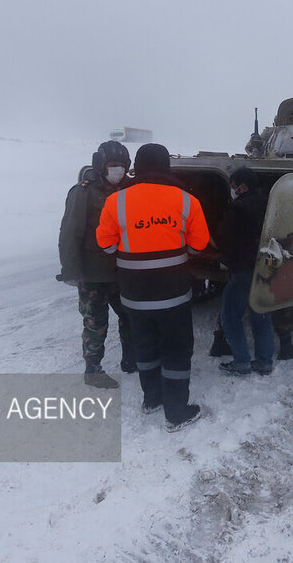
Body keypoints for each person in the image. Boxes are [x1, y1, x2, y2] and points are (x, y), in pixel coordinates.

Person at [96, 143, 210, 431]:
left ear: (137, 166)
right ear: (166, 166)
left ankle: (152, 400)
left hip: (134, 294)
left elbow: (107, 245)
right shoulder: (187, 201)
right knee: (176, 347)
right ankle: (176, 411)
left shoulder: (116, 202)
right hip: (173, 293)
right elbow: (198, 245)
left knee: (145, 346)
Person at [57, 141, 136, 388]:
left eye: (122, 166)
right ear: (101, 165)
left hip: (121, 270)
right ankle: (93, 369)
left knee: (130, 316)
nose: (118, 171)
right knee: (95, 322)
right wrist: (71, 270)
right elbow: (70, 234)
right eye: (113, 166)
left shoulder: (128, 190)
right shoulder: (83, 193)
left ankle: (130, 359)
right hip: (93, 273)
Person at [217, 167, 276, 375]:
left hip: (242, 269)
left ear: (243, 186)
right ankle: (264, 362)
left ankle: (241, 361)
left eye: (234, 186)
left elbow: (225, 239)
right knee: (260, 314)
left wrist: (224, 259)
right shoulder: (269, 204)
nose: (233, 190)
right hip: (264, 267)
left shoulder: (238, 208)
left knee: (230, 316)